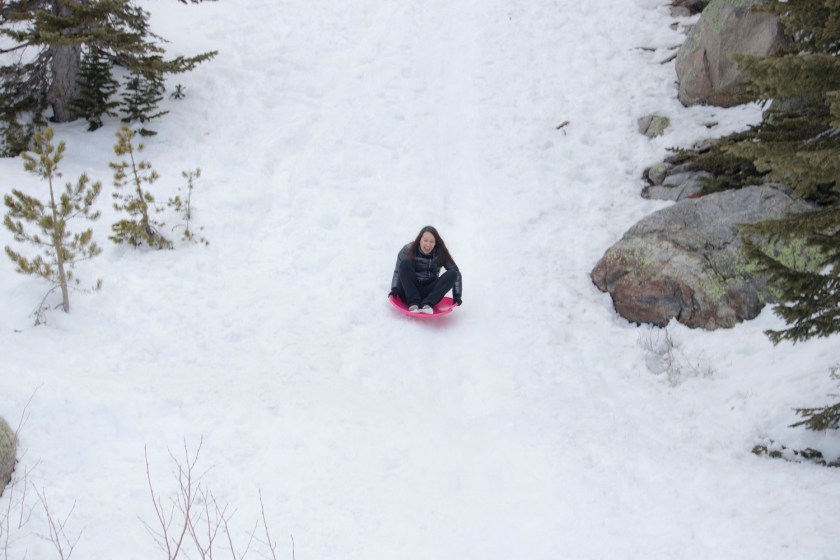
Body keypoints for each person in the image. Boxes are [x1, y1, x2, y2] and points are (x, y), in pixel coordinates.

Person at [389, 226, 462, 314]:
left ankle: (427, 304)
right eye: (425, 240)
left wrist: (457, 296)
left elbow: (456, 273)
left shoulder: (440, 253)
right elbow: (398, 271)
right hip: (409, 292)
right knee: (405, 263)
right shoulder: (408, 249)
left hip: (429, 294)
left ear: (435, 243)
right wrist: (394, 289)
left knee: (452, 274)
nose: (428, 244)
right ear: (420, 240)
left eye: (431, 242)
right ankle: (413, 303)